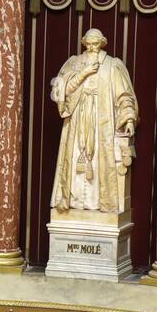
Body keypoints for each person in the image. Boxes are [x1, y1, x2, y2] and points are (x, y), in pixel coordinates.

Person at [50, 28, 138, 215]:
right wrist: (84, 73)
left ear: (102, 43)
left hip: (101, 121)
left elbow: (124, 95)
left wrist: (129, 118)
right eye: (88, 44)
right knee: (75, 159)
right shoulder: (74, 63)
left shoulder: (112, 65)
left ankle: (97, 201)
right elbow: (62, 91)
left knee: (99, 161)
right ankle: (74, 201)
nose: (91, 47)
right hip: (78, 117)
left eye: (95, 44)